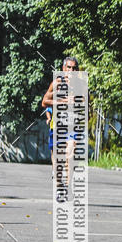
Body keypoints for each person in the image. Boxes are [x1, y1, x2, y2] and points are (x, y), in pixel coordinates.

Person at [42, 56, 80, 186]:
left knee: (70, 153)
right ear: (64, 69)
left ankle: (68, 186)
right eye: (69, 67)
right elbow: (44, 102)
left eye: (74, 68)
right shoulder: (57, 83)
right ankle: (59, 185)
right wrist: (62, 101)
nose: (71, 70)